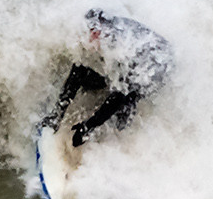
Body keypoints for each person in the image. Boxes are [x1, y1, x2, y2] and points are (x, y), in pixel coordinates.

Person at [42, 9, 172, 147]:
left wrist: (88, 126)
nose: (86, 38)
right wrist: (58, 113)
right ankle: (57, 116)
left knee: (125, 104)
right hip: (144, 54)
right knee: (84, 74)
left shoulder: (120, 47)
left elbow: (119, 95)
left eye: (90, 33)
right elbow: (79, 67)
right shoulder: (104, 30)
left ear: (98, 31)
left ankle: (121, 141)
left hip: (157, 69)